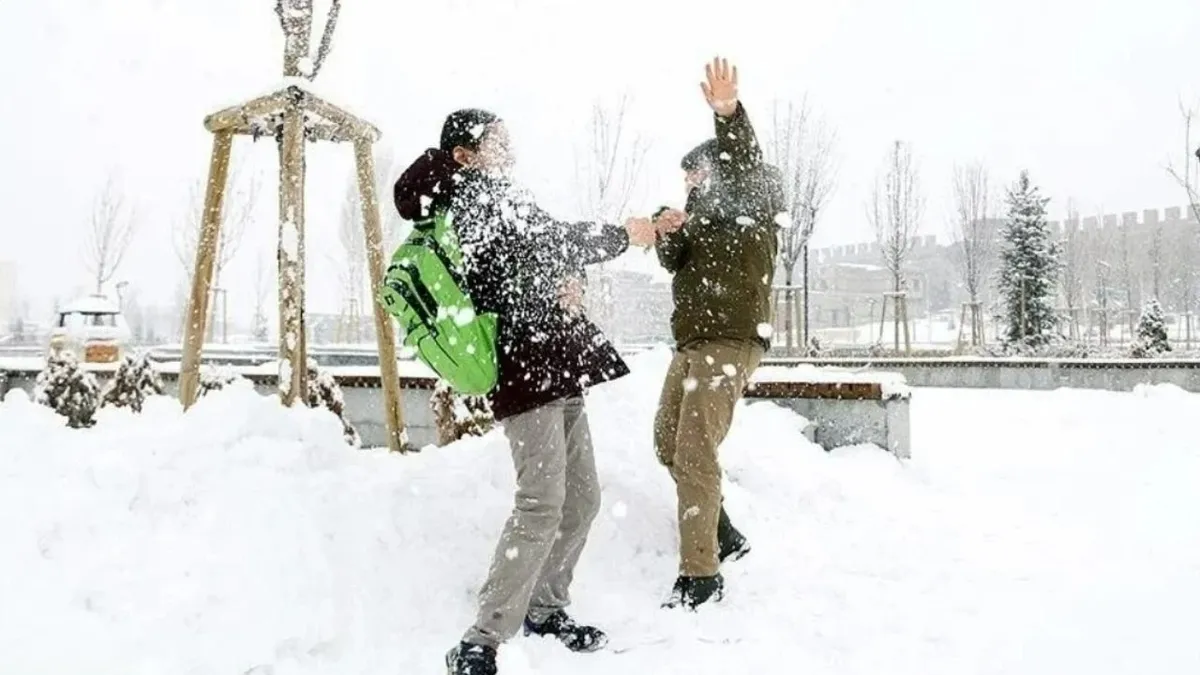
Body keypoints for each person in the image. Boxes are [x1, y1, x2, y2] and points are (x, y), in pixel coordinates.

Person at [392, 108, 660, 675]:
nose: (509, 147)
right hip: (523, 366)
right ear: (465, 153)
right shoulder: (469, 197)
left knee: (582, 499)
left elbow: (539, 256)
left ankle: (545, 608)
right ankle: (481, 639)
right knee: (541, 502)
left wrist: (571, 283)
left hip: (555, 360)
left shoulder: (502, 194)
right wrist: (623, 236)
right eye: (496, 140)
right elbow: (546, 242)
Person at [651, 57, 786, 610]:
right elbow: (673, 261)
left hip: (730, 341)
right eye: (686, 178)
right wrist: (666, 228)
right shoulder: (700, 218)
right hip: (693, 344)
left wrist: (727, 112)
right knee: (667, 442)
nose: (691, 183)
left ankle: (701, 576)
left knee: (695, 451)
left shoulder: (751, 198)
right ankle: (722, 531)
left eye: (697, 174)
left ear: (719, 169)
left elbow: (743, 158)